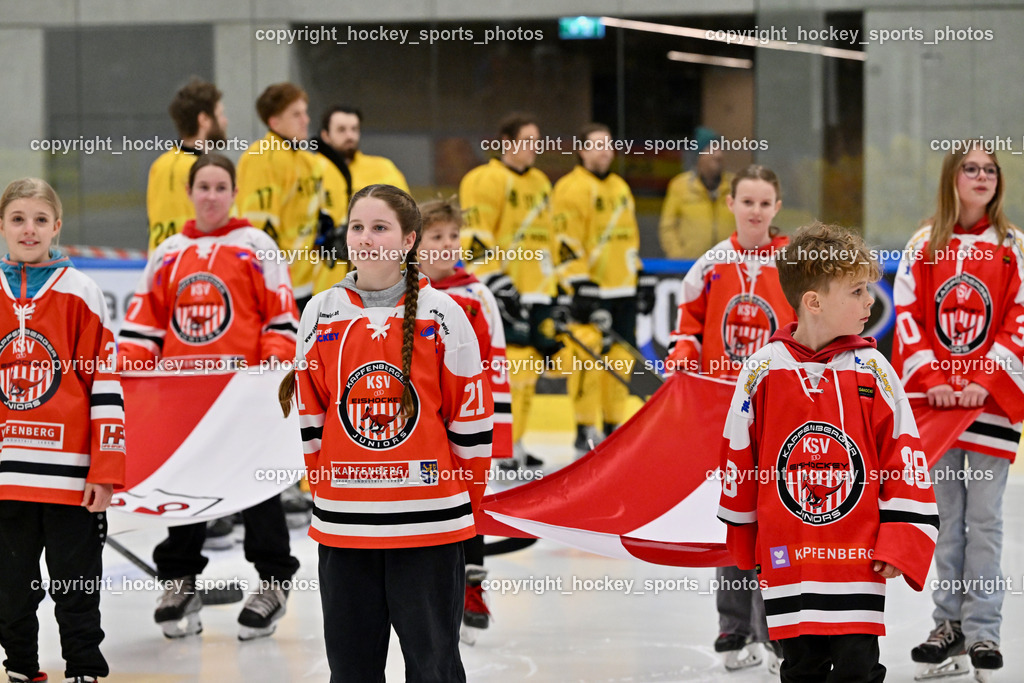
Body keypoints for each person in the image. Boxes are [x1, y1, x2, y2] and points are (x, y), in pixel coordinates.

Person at [281, 184, 492, 682]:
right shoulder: (321, 311)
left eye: (380, 227)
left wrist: (465, 507)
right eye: (358, 227)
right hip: (345, 527)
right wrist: (331, 490)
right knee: (351, 670)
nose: (366, 238)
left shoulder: (444, 314)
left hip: (429, 527)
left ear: (408, 240)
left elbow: (470, 423)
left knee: (433, 667)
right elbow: (311, 420)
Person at [718, 222, 938, 682]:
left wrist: (901, 538)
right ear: (813, 301)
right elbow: (739, 457)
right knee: (800, 669)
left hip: (855, 557)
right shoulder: (762, 370)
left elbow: (904, 454)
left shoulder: (873, 369)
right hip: (786, 556)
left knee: (859, 667)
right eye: (857, 291)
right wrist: (745, 541)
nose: (870, 302)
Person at [118, 154, 300, 641]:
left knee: (260, 491)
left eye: (221, 186)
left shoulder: (256, 246)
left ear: (234, 192)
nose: (212, 195)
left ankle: (272, 584)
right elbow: (144, 324)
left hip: (242, 403)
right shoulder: (169, 251)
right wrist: (130, 367)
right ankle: (179, 583)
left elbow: (280, 319)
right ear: (190, 191)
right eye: (204, 186)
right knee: (184, 493)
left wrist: (269, 369)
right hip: (183, 404)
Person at [893, 142, 1024, 682]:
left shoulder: (1012, 246)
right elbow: (906, 314)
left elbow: (1021, 317)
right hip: (938, 410)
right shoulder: (924, 244)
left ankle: (985, 631)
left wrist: (982, 380)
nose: (981, 176)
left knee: (986, 521)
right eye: (970, 168)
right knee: (946, 522)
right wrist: (934, 380)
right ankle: (947, 626)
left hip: (988, 408)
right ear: (952, 177)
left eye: (989, 170)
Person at [664, 165, 793, 671]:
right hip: (726, 412)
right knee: (734, 516)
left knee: (775, 520)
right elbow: (688, 326)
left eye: (765, 202)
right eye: (748, 202)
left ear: (777, 208)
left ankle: (776, 629)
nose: (756, 211)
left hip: (780, 411)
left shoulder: (792, 263)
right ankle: (734, 626)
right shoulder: (710, 264)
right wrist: (683, 357)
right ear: (731, 204)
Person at [0, 178, 125, 683]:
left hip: (71, 479)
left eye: (40, 220)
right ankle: (21, 670)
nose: (29, 230)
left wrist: (106, 470)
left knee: (77, 586)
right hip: (8, 478)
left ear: (57, 227)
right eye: (17, 219)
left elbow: (105, 386)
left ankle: (84, 669)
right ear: (3, 225)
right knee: (10, 587)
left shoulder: (81, 291)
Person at [416, 196, 512, 641]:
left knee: (467, 511)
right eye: (436, 236)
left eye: (454, 236)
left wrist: (498, 435)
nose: (448, 244)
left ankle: (470, 589)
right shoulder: (405, 294)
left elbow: (496, 364)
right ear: (415, 242)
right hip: (419, 432)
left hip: (468, 429)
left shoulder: (477, 295)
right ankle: (429, 595)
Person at [460, 112, 560, 469]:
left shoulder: (541, 183)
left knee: (530, 368)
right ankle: (499, 447)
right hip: (502, 291)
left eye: (537, 141)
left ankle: (517, 443)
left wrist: (556, 287)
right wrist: (495, 281)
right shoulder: (483, 179)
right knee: (510, 369)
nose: (535, 148)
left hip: (537, 291)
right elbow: (475, 234)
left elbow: (548, 238)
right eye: (528, 140)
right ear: (506, 142)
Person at [551, 123, 653, 456]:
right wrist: (579, 283)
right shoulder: (570, 188)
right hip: (590, 291)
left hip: (622, 289)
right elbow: (564, 240)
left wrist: (640, 278)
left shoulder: (620, 187)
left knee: (621, 361)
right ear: (581, 150)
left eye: (608, 144)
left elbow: (630, 238)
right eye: (596, 145)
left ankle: (612, 425)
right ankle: (584, 428)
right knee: (588, 359)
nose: (603, 151)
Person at [236, 82, 346, 310]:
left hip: (304, 282)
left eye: (305, 112)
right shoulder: (262, 158)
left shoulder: (308, 161)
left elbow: (311, 211)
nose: (305, 120)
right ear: (274, 121)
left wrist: (325, 229)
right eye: (296, 114)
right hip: (275, 286)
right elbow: (258, 229)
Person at [312, 105, 409, 294]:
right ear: (325, 135)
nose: (350, 136)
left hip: (377, 282)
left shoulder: (383, 168)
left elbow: (407, 216)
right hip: (323, 283)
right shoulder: (312, 170)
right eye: (341, 130)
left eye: (354, 129)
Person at [146, 77, 228, 252]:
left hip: (165, 269)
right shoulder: (201, 170)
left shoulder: (159, 165)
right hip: (192, 269)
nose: (224, 121)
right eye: (220, 114)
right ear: (204, 120)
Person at [659, 127, 735, 260]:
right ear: (699, 155)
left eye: (719, 149)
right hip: (690, 267)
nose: (718, 155)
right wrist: (678, 259)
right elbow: (667, 227)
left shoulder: (735, 186)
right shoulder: (680, 186)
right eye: (711, 149)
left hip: (729, 267)